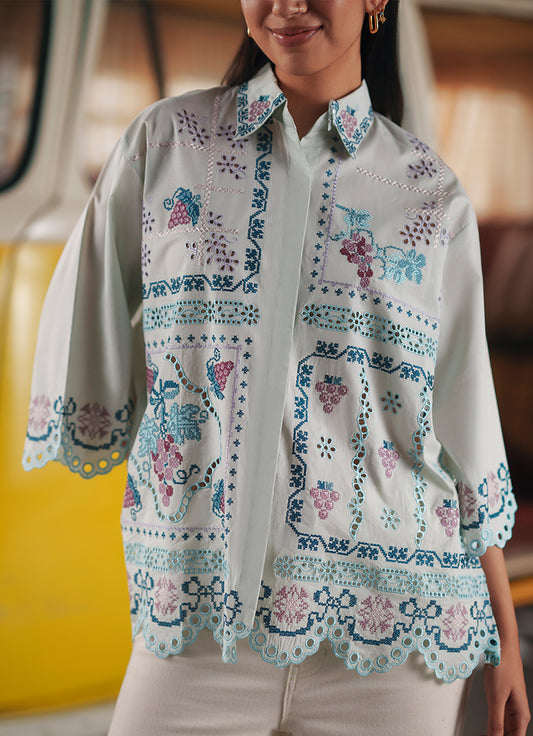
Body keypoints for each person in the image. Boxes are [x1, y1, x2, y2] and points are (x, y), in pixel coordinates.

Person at [23, 1, 530, 734]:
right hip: (200, 623)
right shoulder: (165, 144)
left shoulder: (428, 194)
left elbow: (462, 426)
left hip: (396, 629)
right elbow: (88, 321)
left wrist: (503, 637)